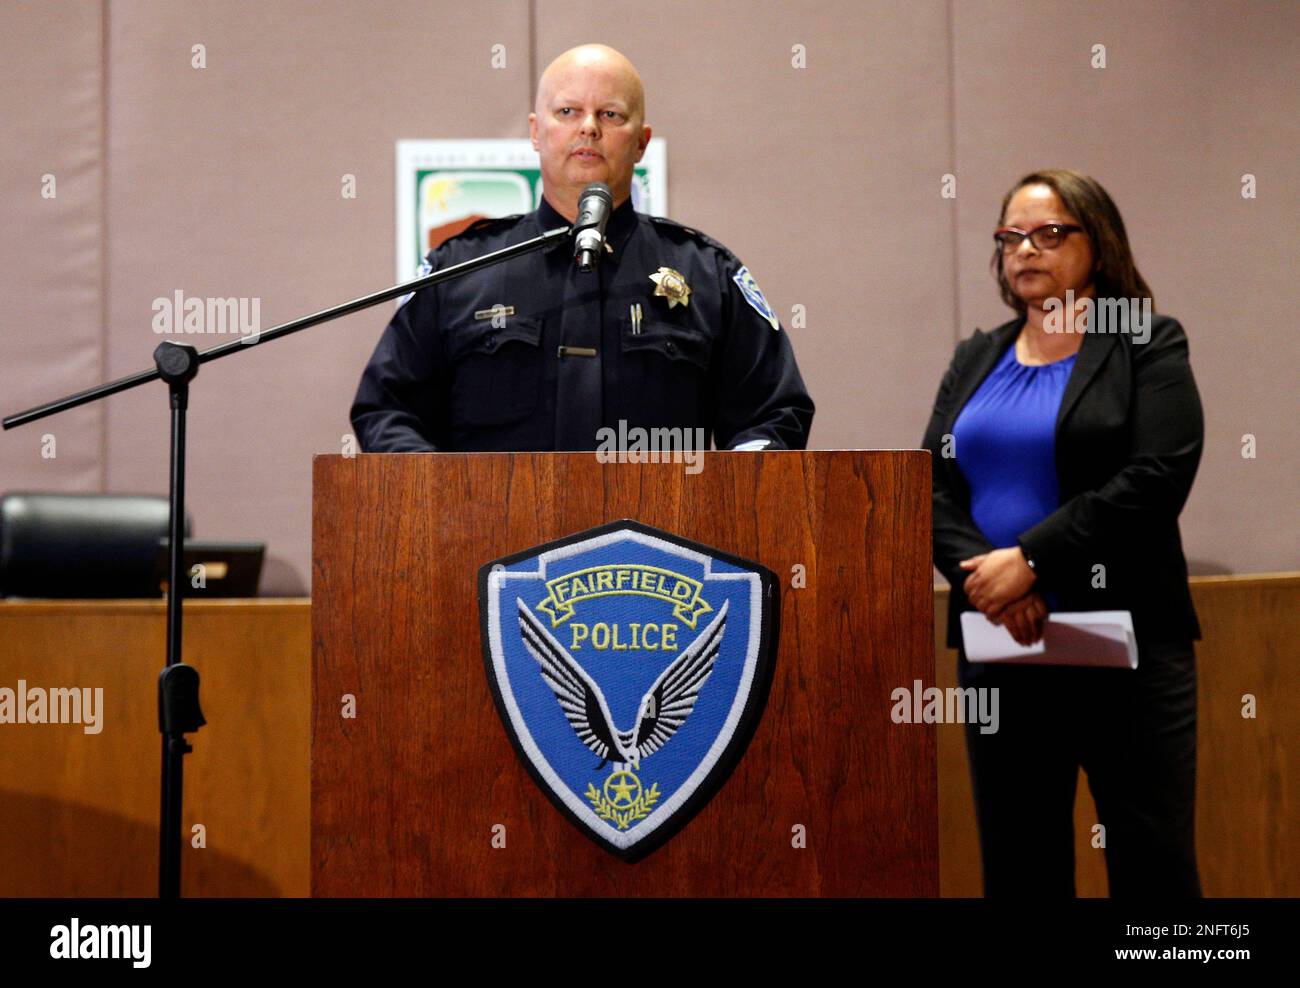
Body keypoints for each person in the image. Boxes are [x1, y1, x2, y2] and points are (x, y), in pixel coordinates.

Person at [922, 169, 1204, 897]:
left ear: (1097, 241)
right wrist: (988, 578)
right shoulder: (976, 356)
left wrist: (1033, 562)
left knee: (1151, 865)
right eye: (1010, 236)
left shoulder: (1144, 342)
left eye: (1049, 233)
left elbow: (1155, 477)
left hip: (1125, 644)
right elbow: (928, 485)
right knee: (1020, 867)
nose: (1026, 250)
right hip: (1000, 642)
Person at [351, 44, 813, 453]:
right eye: (568, 112)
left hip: (655, 547)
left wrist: (731, 498)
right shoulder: (460, 269)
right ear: (536, 131)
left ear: (641, 143)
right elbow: (386, 411)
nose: (588, 128)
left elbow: (774, 415)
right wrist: (438, 494)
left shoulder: (706, 272)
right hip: (489, 544)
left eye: (610, 114)